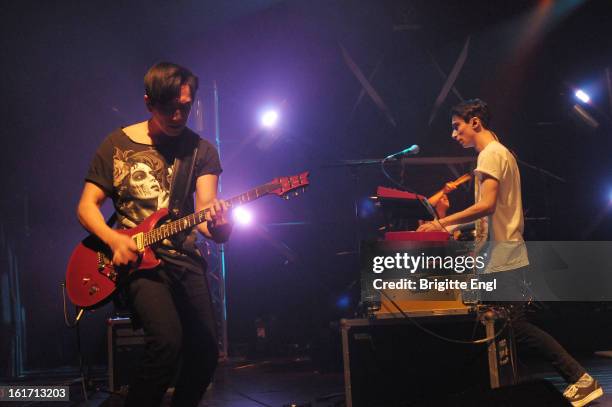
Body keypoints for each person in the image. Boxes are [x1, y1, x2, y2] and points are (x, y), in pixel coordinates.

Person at [417, 99, 603, 406]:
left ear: (475, 121)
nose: (453, 134)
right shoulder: (499, 153)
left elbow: (487, 206)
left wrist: (441, 222)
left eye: (456, 126)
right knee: (489, 324)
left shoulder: (490, 154)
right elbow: (487, 217)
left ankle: (580, 378)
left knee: (512, 325)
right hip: (500, 255)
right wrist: (450, 227)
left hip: (502, 258)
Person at [77, 62, 232, 407]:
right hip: (137, 263)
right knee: (166, 344)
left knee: (206, 354)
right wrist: (115, 239)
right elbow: (87, 207)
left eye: (185, 107)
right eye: (168, 108)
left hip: (185, 259)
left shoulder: (201, 151)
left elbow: (205, 215)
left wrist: (221, 225)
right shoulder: (117, 145)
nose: (178, 116)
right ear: (149, 102)